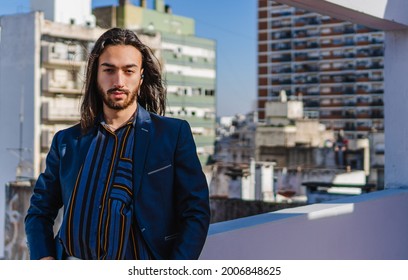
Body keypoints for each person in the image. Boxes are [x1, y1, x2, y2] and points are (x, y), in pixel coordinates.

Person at [25, 28, 210, 260]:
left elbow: (196, 212)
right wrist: (44, 260)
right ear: (95, 75)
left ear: (141, 77)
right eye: (109, 70)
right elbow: (39, 211)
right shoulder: (66, 141)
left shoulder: (172, 134)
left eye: (128, 71)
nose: (119, 81)